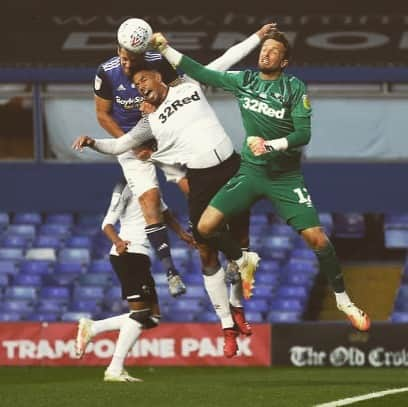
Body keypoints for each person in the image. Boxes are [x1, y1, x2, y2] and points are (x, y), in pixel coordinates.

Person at [73, 24, 279, 357]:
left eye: (144, 81)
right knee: (205, 248)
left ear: (159, 77)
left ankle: (238, 308)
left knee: (242, 242)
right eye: (136, 86)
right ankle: (226, 325)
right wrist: (93, 142)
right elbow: (120, 145)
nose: (140, 88)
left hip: (231, 168)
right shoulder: (148, 124)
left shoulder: (191, 85)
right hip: (200, 179)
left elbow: (227, 58)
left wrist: (257, 38)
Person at [149, 30, 371, 331]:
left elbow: (303, 134)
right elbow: (200, 72)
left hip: (284, 177)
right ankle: (243, 258)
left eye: (274, 50)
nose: (266, 53)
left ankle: (344, 300)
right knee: (205, 227)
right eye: (264, 48)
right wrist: (164, 48)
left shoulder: (293, 87)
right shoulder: (245, 81)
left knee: (318, 239)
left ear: (285, 60)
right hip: (251, 173)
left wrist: (270, 144)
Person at [94, 18, 186, 297]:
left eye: (132, 60)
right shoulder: (106, 72)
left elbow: (183, 97)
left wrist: (160, 112)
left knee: (191, 185)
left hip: (164, 136)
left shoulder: (161, 62)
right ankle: (171, 272)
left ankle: (217, 239)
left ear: (144, 54)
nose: (125, 64)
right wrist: (131, 144)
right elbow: (102, 115)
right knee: (150, 200)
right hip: (129, 142)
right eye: (122, 57)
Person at [75, 178, 193, 382]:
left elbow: (165, 214)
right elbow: (107, 223)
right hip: (128, 253)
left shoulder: (152, 188)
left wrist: (182, 234)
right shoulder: (124, 186)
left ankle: (93, 328)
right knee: (140, 314)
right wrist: (118, 241)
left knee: (152, 317)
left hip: (142, 256)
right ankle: (114, 369)